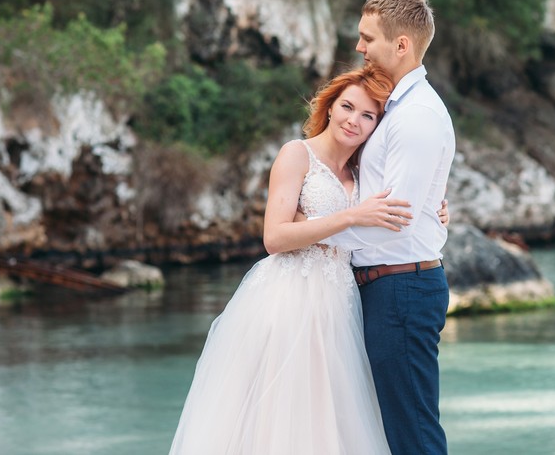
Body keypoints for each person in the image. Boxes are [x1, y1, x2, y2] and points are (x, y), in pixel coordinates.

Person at [167, 65, 448, 455]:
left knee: (334, 415)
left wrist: (434, 210)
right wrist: (351, 215)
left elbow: (403, 202)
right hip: (289, 298)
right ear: (330, 106)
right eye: (347, 107)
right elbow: (274, 237)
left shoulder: (364, 170)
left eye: (368, 115)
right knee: (283, 414)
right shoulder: (296, 155)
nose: (354, 120)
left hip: (342, 303)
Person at [335, 0, 456, 455]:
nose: (360, 47)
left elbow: (396, 218)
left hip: (400, 289)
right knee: (392, 432)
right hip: (388, 286)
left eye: (368, 38)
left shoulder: (417, 115)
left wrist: (312, 235)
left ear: (401, 45)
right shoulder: (398, 109)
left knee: (413, 435)